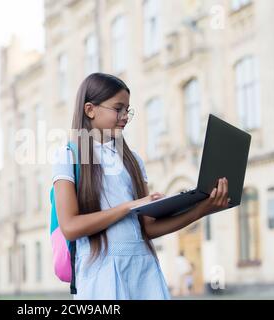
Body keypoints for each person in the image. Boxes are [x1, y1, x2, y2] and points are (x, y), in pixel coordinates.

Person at [52, 72, 230, 300]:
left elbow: (149, 229)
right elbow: (70, 226)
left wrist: (202, 209)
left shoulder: (132, 160)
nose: (125, 116)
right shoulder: (68, 156)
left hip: (144, 273)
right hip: (101, 276)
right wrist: (130, 206)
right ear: (90, 110)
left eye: (128, 110)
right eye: (118, 109)